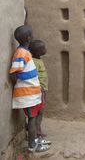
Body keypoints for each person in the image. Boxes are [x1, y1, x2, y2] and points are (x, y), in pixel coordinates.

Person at [9, 25, 50, 153]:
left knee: (35, 116)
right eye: (31, 34)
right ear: (28, 38)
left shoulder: (25, 52)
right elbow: (14, 73)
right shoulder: (21, 53)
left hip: (32, 92)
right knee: (32, 119)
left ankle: (35, 140)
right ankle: (32, 145)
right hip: (27, 93)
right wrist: (29, 78)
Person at [29, 40, 49, 140]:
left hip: (42, 90)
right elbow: (34, 75)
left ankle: (38, 130)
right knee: (39, 111)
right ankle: (37, 132)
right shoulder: (34, 62)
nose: (45, 49)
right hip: (39, 91)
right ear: (37, 52)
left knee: (40, 111)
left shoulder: (37, 59)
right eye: (43, 48)